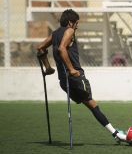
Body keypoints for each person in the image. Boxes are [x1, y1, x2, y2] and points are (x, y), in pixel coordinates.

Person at [36, 9, 126, 142]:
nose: (77, 26)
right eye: (76, 23)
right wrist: (72, 69)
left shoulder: (54, 34)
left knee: (90, 104)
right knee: (93, 104)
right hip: (75, 78)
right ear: (70, 22)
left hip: (63, 80)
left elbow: (40, 47)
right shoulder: (70, 31)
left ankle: (115, 133)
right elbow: (62, 48)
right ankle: (117, 134)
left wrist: (48, 67)